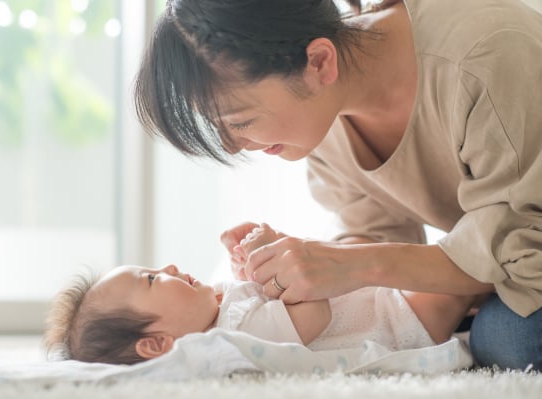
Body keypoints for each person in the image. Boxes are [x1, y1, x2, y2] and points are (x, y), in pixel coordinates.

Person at [134, 0, 542, 370]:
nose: (233, 145)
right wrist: (293, 268)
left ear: (318, 62)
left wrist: (351, 264)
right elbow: (382, 240)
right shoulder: (325, 120)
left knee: (513, 339)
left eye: (239, 121)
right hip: (512, 261)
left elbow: (526, 251)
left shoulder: (484, 56)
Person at [45, 224, 478, 365]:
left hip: (378, 289)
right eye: (153, 280)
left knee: (443, 259)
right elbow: (313, 312)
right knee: (458, 279)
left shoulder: (220, 304)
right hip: (397, 319)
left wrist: (251, 255)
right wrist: (270, 255)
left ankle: (487, 266)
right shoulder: (236, 339)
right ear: (158, 344)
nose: (171, 268)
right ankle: (500, 264)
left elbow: (261, 286)